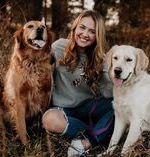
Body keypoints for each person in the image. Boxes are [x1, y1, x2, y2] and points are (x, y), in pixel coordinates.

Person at [42, 10, 114, 156]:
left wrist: (105, 71)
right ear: (75, 27)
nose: (85, 34)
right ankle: (100, 132)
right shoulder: (59, 47)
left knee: (118, 105)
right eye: (82, 27)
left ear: (97, 36)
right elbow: (40, 68)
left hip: (87, 106)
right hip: (61, 109)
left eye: (92, 31)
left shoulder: (100, 57)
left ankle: (86, 142)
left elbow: (107, 93)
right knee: (49, 121)